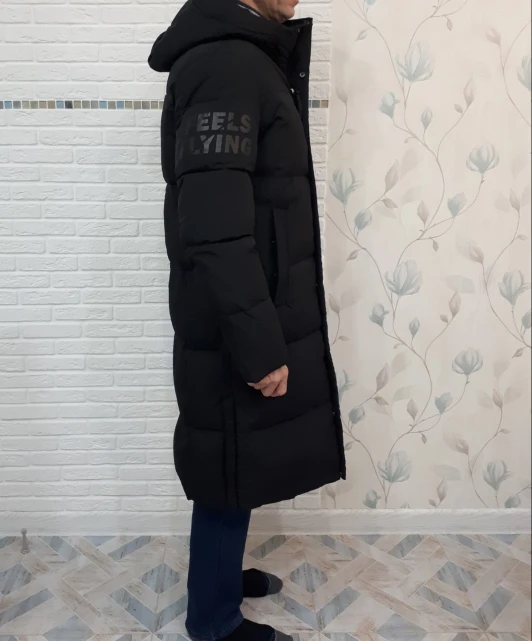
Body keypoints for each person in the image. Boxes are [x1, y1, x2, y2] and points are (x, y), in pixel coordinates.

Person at [148, 0, 346, 638]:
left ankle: (217, 578)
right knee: (227, 460)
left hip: (246, 307)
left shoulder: (242, 55)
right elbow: (214, 230)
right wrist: (259, 346)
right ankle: (212, 622)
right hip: (233, 321)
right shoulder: (227, 64)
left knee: (238, 456)